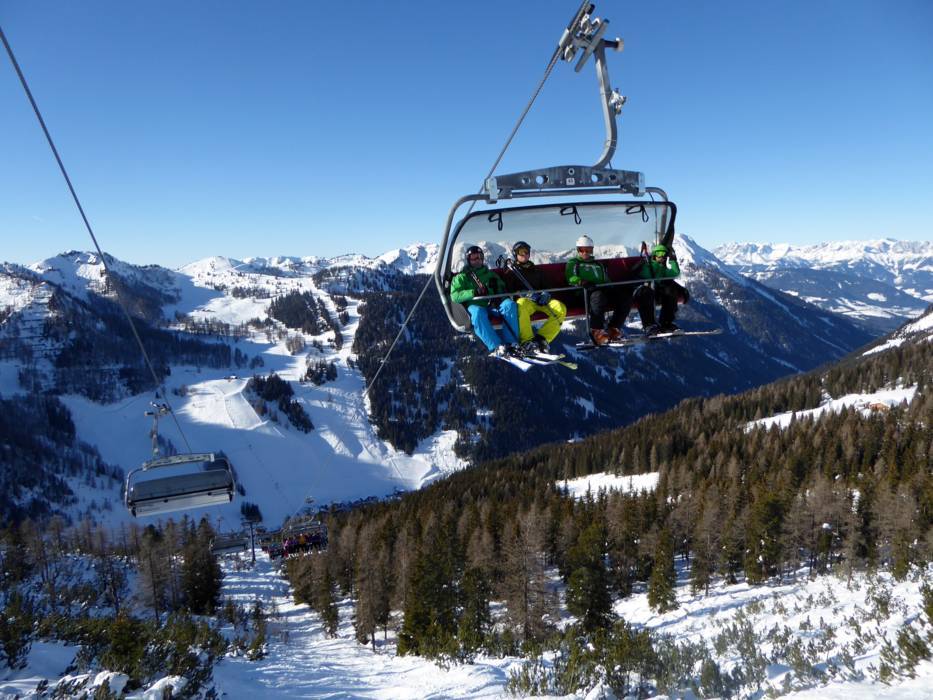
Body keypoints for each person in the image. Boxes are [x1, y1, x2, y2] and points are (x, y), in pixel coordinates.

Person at [565, 234, 653, 345]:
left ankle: (614, 328)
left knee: (624, 297)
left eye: (588, 250)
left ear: (592, 250)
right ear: (578, 250)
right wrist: (581, 282)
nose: (585, 253)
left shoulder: (598, 264)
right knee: (598, 296)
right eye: (582, 250)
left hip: (602, 291)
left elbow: (606, 280)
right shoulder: (574, 263)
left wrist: (613, 288)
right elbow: (570, 277)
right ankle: (597, 331)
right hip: (585, 292)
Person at [450, 245, 521, 357]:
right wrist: (473, 292)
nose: (477, 260)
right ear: (468, 260)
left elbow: (502, 288)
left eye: (479, 257)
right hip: (475, 304)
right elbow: (455, 296)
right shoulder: (462, 277)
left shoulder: (490, 274)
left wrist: (498, 295)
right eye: (474, 258)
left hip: (492, 304)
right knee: (478, 314)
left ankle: (511, 342)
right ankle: (496, 346)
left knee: (509, 305)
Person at [503, 240, 567, 353]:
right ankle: (527, 341)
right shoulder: (512, 272)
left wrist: (546, 294)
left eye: (526, 251)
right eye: (521, 252)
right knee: (520, 304)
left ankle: (541, 339)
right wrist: (525, 294)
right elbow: (510, 291)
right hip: (527, 302)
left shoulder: (536, 270)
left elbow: (548, 286)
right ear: (515, 254)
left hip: (541, 300)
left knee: (560, 307)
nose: (524, 254)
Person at [639, 243, 689, 332]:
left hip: (658, 292)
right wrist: (653, 266)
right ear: (654, 255)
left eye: (664, 254)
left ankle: (666, 323)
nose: (662, 257)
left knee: (671, 291)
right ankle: (650, 325)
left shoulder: (662, 268)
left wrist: (673, 260)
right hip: (648, 291)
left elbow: (675, 273)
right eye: (659, 254)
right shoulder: (648, 266)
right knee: (650, 293)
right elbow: (644, 275)